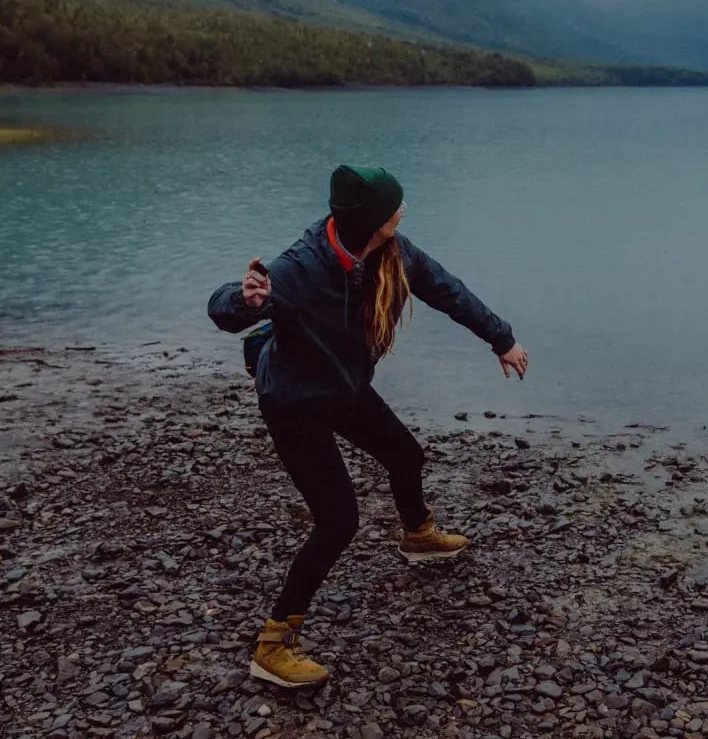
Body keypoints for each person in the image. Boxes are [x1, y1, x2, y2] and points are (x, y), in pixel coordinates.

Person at [208, 165, 530, 688]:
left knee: (405, 455)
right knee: (338, 522)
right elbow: (225, 307)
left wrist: (502, 339)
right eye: (394, 207)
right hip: (292, 401)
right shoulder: (301, 267)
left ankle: (418, 536)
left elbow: (448, 290)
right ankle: (273, 644)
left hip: (343, 385)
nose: (403, 212)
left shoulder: (392, 251)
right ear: (370, 220)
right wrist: (243, 299)